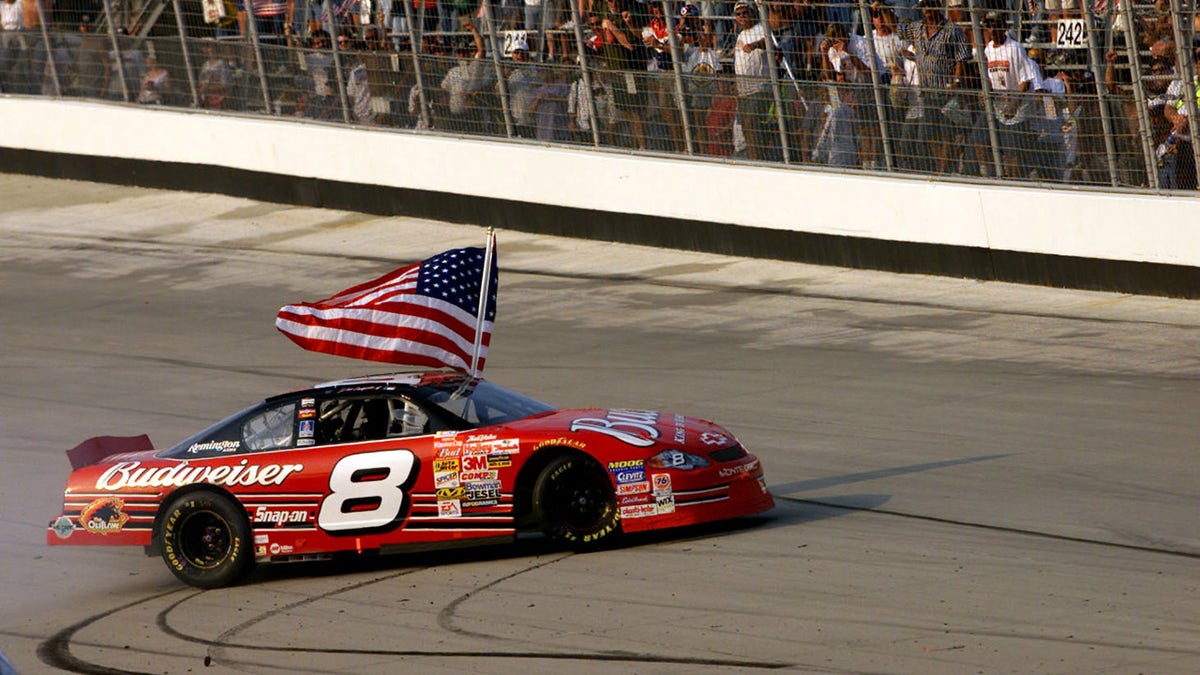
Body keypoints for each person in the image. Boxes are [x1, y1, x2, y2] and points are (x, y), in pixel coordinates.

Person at [896, 0, 971, 173]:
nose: (927, 10)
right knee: (930, 135)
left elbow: (961, 58)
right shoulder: (917, 28)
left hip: (945, 91)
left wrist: (956, 82)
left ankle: (945, 169)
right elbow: (896, 27)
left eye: (930, 5)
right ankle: (940, 167)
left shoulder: (952, 29)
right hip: (927, 91)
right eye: (924, 6)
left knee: (946, 134)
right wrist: (882, 7)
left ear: (938, 5)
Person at [980, 11, 1039, 178]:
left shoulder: (1014, 48)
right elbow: (991, 78)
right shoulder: (988, 50)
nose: (992, 30)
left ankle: (1016, 180)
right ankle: (990, 175)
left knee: (1012, 153)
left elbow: (1025, 80)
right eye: (989, 26)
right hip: (999, 106)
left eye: (996, 26)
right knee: (981, 139)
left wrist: (1014, 104)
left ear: (1003, 27)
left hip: (1017, 108)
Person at [733, 0, 774, 161]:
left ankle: (759, 157)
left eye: (745, 13)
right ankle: (753, 157)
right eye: (738, 14)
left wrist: (755, 44)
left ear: (752, 13)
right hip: (743, 89)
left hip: (760, 87)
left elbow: (768, 42)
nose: (742, 16)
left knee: (753, 123)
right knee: (745, 126)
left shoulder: (761, 28)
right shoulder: (740, 35)